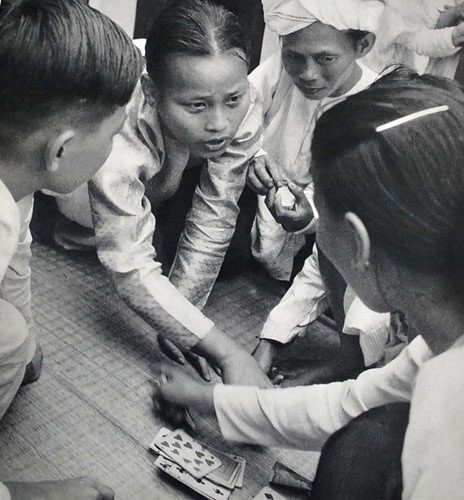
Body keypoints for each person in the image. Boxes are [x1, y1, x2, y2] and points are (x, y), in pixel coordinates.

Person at [154, 67, 464, 498]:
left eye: (319, 200)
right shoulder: (439, 339)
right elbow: (347, 405)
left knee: (364, 447)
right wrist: (209, 400)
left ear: (359, 242)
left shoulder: (450, 397)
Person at [0, 0, 143, 498]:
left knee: (14, 338)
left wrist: (23, 352)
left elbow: (15, 258)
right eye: (113, 135)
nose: (115, 149)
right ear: (59, 149)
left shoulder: (14, 176)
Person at [88, 0, 270, 387]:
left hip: (166, 177)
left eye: (232, 100)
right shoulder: (115, 121)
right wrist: (225, 350)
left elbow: (216, 211)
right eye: (197, 106)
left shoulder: (244, 100)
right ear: (151, 92)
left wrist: (184, 325)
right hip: (79, 191)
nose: (220, 124)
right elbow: (128, 261)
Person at [249, 0, 391, 384]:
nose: (308, 74)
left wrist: (312, 215)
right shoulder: (281, 70)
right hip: (275, 218)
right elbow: (239, 115)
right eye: (295, 57)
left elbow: (338, 234)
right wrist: (255, 157)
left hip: (324, 235)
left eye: (325, 59)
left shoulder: (374, 106)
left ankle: (352, 358)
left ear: (362, 46)